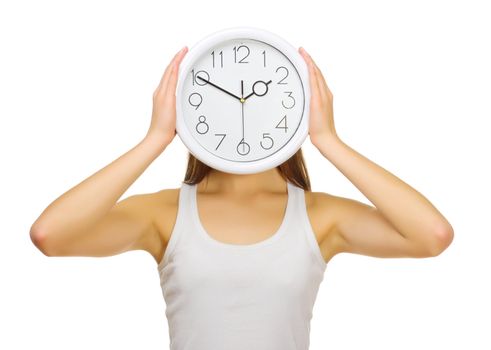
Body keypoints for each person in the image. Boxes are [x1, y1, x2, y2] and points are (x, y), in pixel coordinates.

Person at [29, 45, 454, 350]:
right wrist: (155, 139)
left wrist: (329, 140)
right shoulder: (165, 213)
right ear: (192, 112)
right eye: (222, 100)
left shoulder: (317, 215)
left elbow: (432, 235)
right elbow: (50, 234)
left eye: (256, 99)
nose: (240, 110)